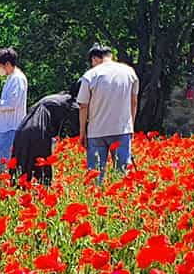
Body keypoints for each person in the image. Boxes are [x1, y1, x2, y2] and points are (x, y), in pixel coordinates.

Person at [77, 44, 139, 183]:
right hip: (122, 130)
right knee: (122, 175)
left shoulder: (91, 75)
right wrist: (131, 127)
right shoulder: (129, 72)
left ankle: (93, 201)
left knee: (95, 176)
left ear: (95, 59)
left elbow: (83, 106)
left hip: (96, 132)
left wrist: (82, 132)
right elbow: (134, 101)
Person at [12, 91, 80, 185]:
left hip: (22, 129)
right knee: (41, 167)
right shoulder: (71, 103)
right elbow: (75, 129)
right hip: (39, 130)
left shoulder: (53, 98)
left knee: (23, 164)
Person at [0, 48, 28, 173]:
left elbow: (13, 103)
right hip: (6, 127)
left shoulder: (17, 79)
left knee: (4, 166)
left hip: (11, 128)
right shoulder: (11, 78)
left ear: (7, 64)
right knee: (2, 164)